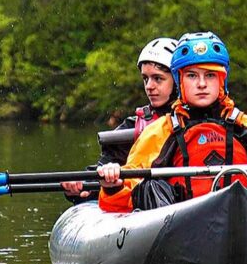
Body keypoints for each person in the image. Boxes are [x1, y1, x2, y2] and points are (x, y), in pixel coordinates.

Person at [97, 31, 247, 213]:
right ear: (179, 81)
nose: (202, 84)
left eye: (210, 75)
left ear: (222, 79)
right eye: (192, 76)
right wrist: (113, 184)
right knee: (151, 186)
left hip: (245, 222)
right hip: (178, 227)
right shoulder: (159, 133)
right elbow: (126, 194)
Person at [61, 37, 179, 202]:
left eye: (158, 78)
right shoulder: (133, 126)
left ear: (177, 80)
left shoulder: (196, 120)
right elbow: (104, 169)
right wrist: (82, 187)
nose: (149, 86)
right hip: (149, 201)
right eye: (145, 78)